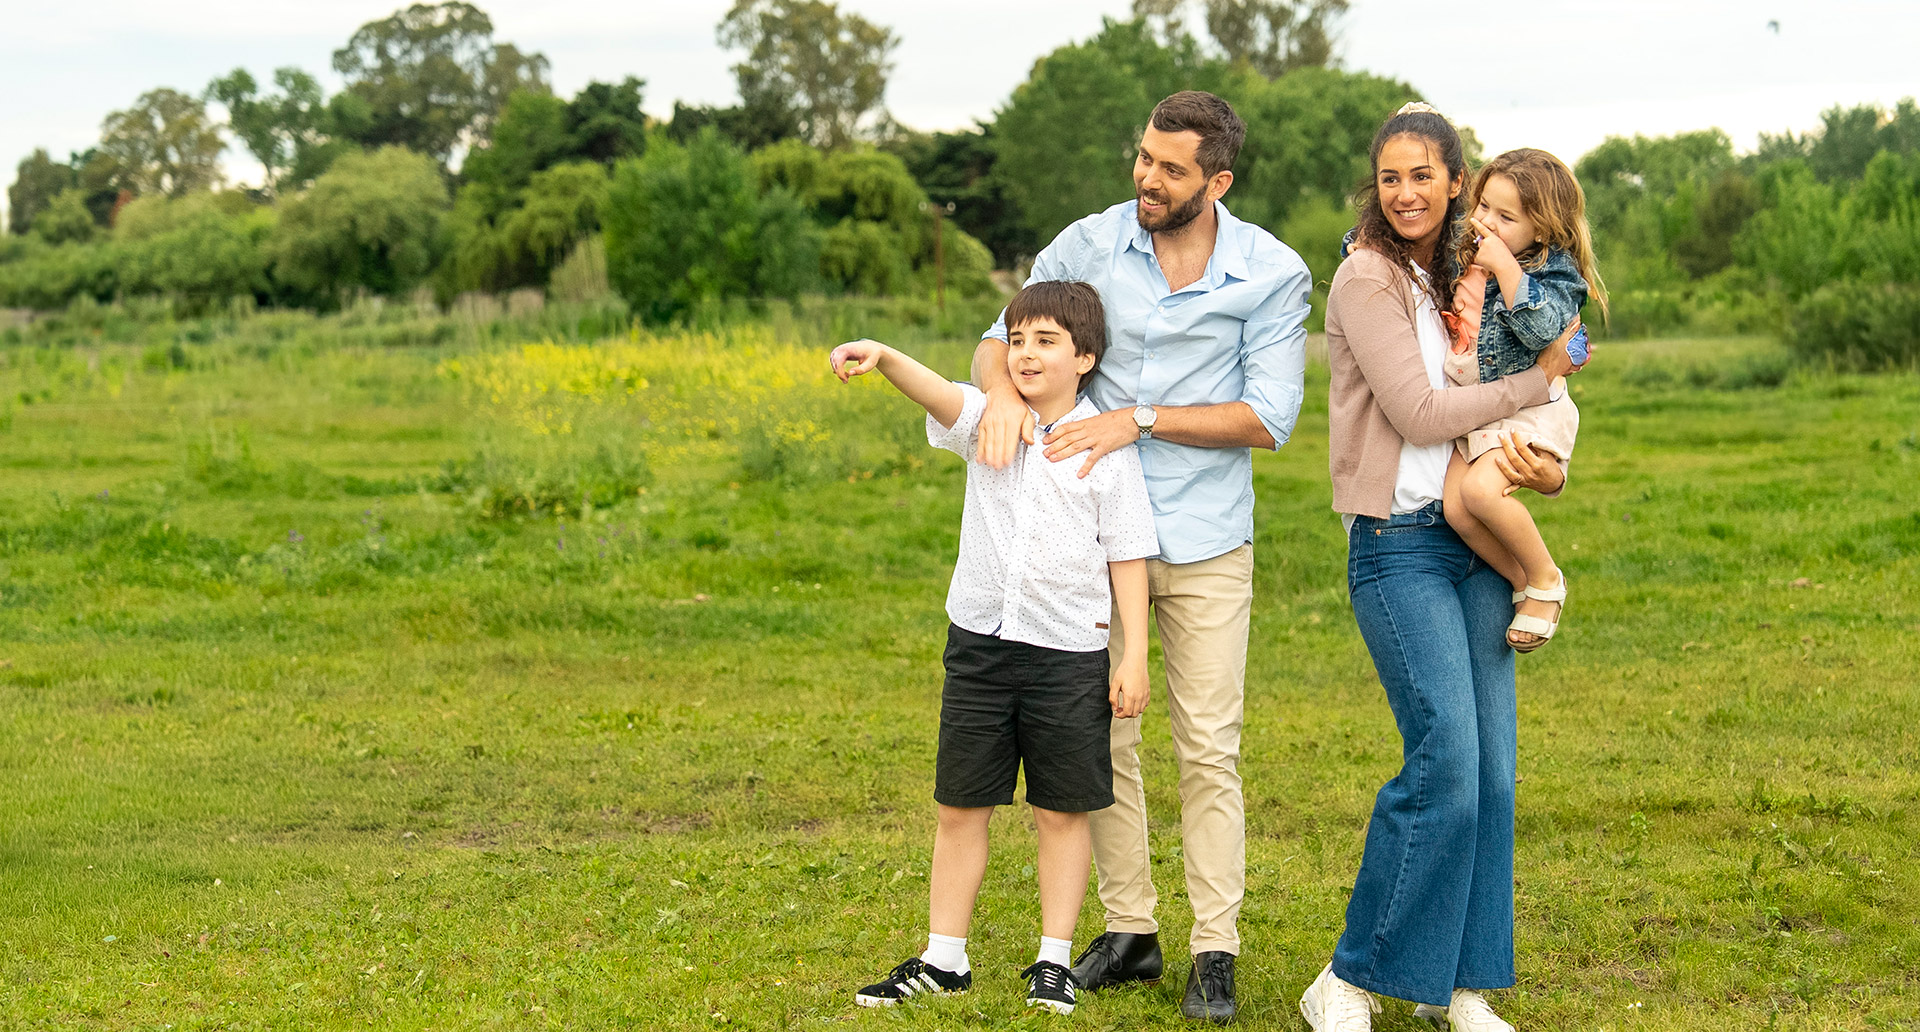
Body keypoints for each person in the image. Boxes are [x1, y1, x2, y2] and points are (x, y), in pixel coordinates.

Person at [971, 90, 1312, 1024]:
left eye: (1171, 168)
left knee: (1209, 746)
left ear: (1219, 180)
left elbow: (1269, 418)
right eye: (1143, 158)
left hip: (1205, 542)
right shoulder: (1086, 243)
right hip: (1086, 538)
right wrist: (1000, 392)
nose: (1147, 179)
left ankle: (1216, 951)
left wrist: (1140, 420)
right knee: (1100, 739)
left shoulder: (1272, 273)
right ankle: (1130, 931)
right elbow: (1001, 340)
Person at [1297, 103, 1577, 1032]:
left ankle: (1460, 987)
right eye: (1390, 177)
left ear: (1457, 182)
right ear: (1376, 189)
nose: (1406, 192)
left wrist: (1544, 461)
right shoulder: (1364, 280)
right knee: (1446, 762)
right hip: (1397, 545)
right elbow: (1420, 416)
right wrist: (1545, 382)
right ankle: (1346, 979)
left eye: (1424, 175)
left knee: (1492, 777)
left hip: (1472, 546)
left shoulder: (1465, 277)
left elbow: (1496, 409)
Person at [831, 280, 1159, 1017]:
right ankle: (944, 957)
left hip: (1069, 654)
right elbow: (939, 393)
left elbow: (1128, 557)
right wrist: (884, 356)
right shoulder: (987, 420)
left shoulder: (1104, 449)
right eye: (1016, 341)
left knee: (1061, 812)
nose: (1025, 355)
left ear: (1085, 357)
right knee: (960, 804)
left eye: (1045, 342)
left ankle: (1054, 962)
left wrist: (1132, 654)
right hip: (979, 646)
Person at [1440, 147, 1608, 652]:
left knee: (1480, 494)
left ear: (1542, 230)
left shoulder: (1554, 273)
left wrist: (1507, 270)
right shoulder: (1465, 250)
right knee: (1457, 508)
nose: (1486, 222)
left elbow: (1542, 334)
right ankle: (1527, 583)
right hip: (1483, 410)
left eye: (1506, 217)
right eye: (1483, 206)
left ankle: (1545, 576)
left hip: (1530, 411)